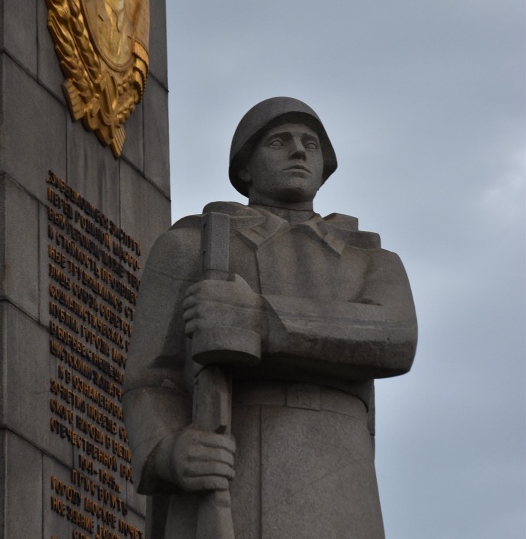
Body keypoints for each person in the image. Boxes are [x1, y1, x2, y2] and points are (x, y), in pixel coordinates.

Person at [124, 97, 418, 539]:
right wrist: (169, 450)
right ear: (244, 168)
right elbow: (150, 379)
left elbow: (396, 336)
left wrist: (262, 319)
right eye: (279, 141)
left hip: (344, 481)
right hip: (231, 471)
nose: (299, 152)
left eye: (311, 144)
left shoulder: (370, 260)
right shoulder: (190, 245)